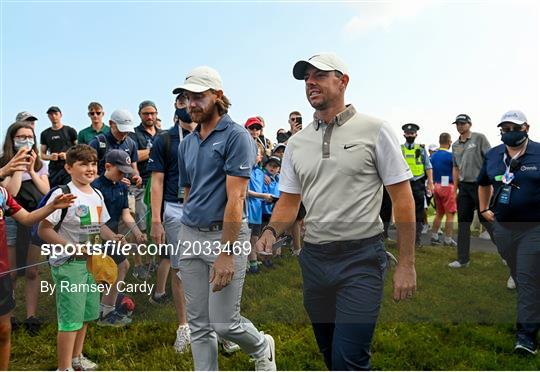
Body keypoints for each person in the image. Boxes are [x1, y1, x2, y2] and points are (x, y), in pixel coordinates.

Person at [256, 52, 416, 370]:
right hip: (314, 261)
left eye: (319, 75)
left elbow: (402, 198)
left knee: (349, 358)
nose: (310, 83)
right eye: (306, 78)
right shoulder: (297, 144)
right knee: (330, 352)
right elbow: (289, 201)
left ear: (342, 81)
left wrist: (407, 264)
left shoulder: (376, 130)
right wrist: (271, 231)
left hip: (362, 259)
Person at [175, 65, 276, 371]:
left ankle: (261, 347)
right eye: (187, 97)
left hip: (225, 237)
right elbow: (189, 192)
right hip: (190, 235)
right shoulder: (186, 144)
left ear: (217, 96)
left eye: (198, 96)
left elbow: (237, 197)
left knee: (224, 323)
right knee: (199, 324)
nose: (191, 103)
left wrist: (226, 253)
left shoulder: (236, 136)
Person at [38, 144, 122, 371]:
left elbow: (100, 225)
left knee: (85, 314)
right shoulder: (62, 193)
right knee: (70, 318)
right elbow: (44, 230)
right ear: (68, 167)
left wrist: (113, 236)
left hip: (91, 265)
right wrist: (72, 247)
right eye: (83, 163)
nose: (90, 168)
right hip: (68, 265)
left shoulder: (96, 194)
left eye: (93, 163)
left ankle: (76, 358)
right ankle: (63, 367)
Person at [0, 157, 73, 371]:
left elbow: (28, 218)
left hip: (2, 274)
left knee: (4, 330)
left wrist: (52, 206)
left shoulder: (2, 194)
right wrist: (4, 170)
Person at [477, 110, 540, 356]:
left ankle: (525, 338)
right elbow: (483, 182)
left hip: (534, 227)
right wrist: (484, 209)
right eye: (504, 129)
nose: (509, 133)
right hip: (503, 227)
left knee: (525, 279)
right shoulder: (493, 155)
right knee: (521, 273)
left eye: (514, 128)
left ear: (526, 127)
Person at [147, 93, 194, 353]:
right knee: (179, 269)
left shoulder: (214, 133)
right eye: (181, 101)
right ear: (175, 106)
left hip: (207, 209)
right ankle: (184, 327)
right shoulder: (164, 139)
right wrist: (156, 219)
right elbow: (157, 180)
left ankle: (217, 325)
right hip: (175, 209)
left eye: (191, 99)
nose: (186, 105)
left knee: (212, 266)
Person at [0, 122, 49, 335]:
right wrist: (17, 166)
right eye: (21, 136)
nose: (26, 140)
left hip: (34, 217)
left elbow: (46, 191)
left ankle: (31, 316)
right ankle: (8, 317)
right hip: (10, 219)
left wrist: (32, 169)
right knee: (10, 272)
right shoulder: (4, 163)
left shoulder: (39, 164)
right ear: (12, 139)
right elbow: (10, 192)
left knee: (32, 270)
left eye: (30, 136)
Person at [91, 150, 146, 327]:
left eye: (125, 171)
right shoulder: (95, 187)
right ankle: (103, 310)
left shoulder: (123, 187)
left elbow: (126, 215)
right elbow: (94, 222)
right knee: (107, 270)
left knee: (122, 266)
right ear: (107, 166)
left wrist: (137, 233)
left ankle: (106, 309)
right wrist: (112, 237)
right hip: (95, 236)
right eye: (120, 171)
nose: (123, 175)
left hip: (112, 235)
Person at [449, 114, 492, 268]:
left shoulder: (479, 138)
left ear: (469, 124)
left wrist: (489, 182)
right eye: (457, 124)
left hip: (480, 186)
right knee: (463, 223)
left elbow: (490, 159)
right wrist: (454, 190)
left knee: (488, 221)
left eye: (462, 123)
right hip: (464, 187)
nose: (459, 126)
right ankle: (463, 259)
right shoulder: (455, 145)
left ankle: (506, 253)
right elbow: (455, 167)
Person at [128, 100, 162, 279]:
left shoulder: (163, 133)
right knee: (140, 227)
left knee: (156, 225)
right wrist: (156, 151)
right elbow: (132, 155)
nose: (149, 117)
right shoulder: (134, 134)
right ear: (140, 115)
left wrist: (149, 152)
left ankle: (153, 260)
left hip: (161, 184)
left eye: (152, 113)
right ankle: (139, 264)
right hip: (141, 183)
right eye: (145, 113)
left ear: (157, 114)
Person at [401, 123, 434, 248]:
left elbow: (428, 166)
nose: (410, 135)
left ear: (416, 134)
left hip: (418, 183)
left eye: (412, 133)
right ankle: (405, 238)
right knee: (404, 211)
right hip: (404, 183)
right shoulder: (400, 149)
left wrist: (430, 182)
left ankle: (417, 239)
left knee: (418, 212)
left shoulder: (420, 149)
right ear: (404, 134)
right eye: (408, 133)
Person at [429, 133, 457, 246]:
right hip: (448, 186)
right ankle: (448, 239)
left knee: (439, 213)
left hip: (436, 185)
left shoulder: (433, 156)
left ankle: (434, 236)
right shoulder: (451, 156)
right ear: (450, 142)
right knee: (450, 214)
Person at [40, 106, 77, 187]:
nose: (53, 116)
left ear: (60, 115)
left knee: (70, 191)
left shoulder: (70, 130)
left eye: (56, 114)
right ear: (48, 117)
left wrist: (67, 155)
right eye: (51, 114)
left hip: (69, 167)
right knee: (55, 192)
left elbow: (79, 150)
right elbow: (42, 155)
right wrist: (50, 157)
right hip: (53, 169)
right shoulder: (45, 133)